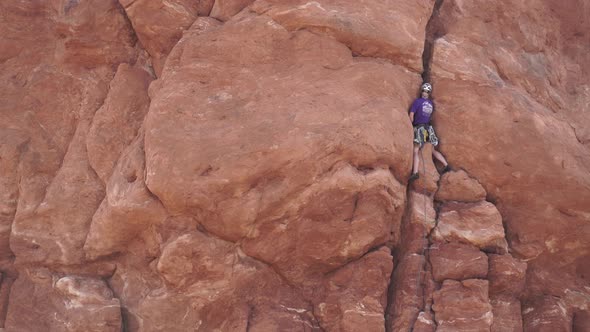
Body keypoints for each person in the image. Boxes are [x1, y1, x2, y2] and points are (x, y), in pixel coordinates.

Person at [408, 82, 450, 181]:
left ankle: (415, 173)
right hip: (428, 129)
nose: (424, 92)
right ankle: (446, 165)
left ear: (428, 92)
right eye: (424, 91)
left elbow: (411, 114)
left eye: (426, 91)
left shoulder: (417, 102)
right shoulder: (431, 104)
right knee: (432, 150)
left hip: (420, 128)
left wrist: (410, 126)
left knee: (416, 151)